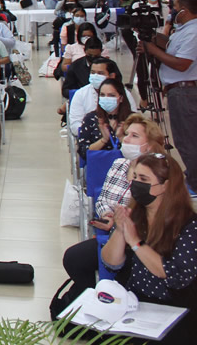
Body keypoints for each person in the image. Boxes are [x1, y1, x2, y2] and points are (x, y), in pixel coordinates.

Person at [63, 114, 166, 294]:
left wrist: (123, 222)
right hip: (112, 231)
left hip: (141, 237)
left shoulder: (157, 176)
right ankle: (90, 293)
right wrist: (107, 215)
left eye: (134, 136)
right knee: (73, 258)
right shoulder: (119, 164)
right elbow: (102, 199)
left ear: (149, 145)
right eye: (126, 134)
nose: (126, 139)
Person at [101, 153, 197, 344]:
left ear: (166, 186)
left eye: (144, 179)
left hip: (175, 308)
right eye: (135, 177)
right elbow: (111, 263)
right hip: (136, 301)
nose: (136, 183)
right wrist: (121, 231)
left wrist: (136, 242)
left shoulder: (188, 225)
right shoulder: (135, 213)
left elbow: (172, 273)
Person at [139, 0, 197, 191]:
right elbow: (173, 50)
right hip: (178, 91)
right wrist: (156, 41)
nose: (172, 11)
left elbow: (182, 64)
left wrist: (154, 51)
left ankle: (195, 184)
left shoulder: (194, 31)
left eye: (175, 7)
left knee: (187, 140)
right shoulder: (183, 30)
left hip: (186, 91)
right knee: (184, 139)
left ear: (185, 11)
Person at [75, 78, 133, 160]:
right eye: (102, 95)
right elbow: (83, 152)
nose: (106, 98)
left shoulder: (133, 120)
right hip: (99, 166)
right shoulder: (91, 118)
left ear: (121, 98)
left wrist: (122, 139)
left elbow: (141, 151)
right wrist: (104, 140)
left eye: (111, 95)